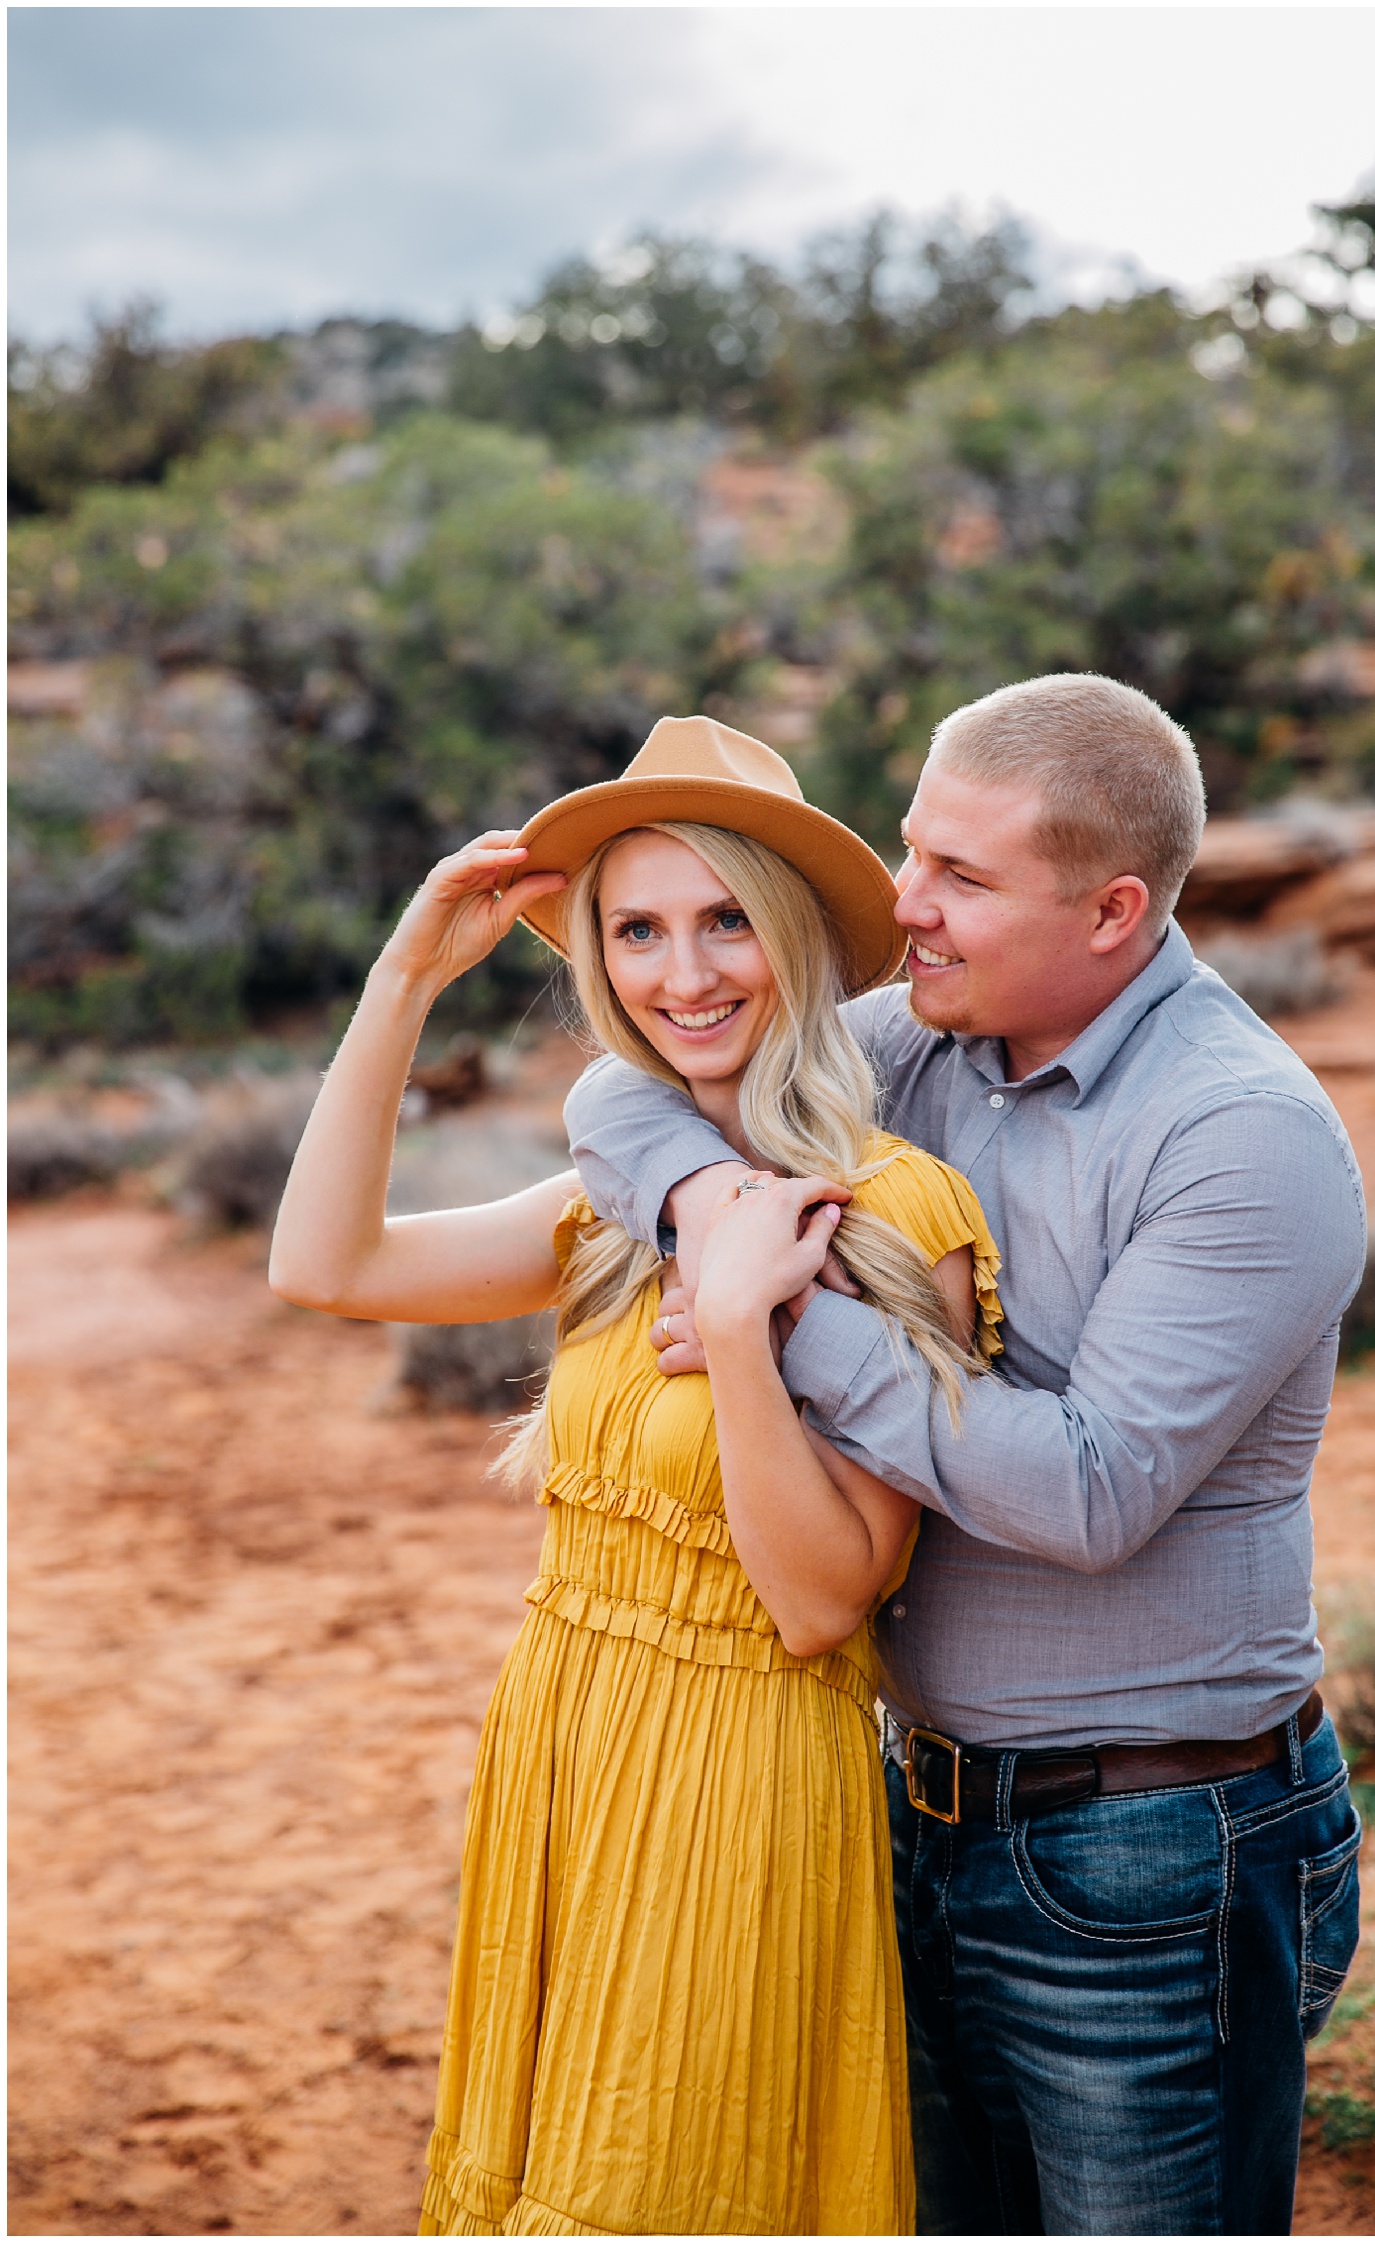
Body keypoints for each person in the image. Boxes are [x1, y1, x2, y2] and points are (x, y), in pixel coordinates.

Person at [563, 673, 1368, 2238]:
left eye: (962, 880)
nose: (903, 909)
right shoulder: (919, 1044)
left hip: (1146, 1856)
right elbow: (630, 1085)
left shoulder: (1241, 1134)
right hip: (910, 1819)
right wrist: (712, 1212)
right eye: (914, 851)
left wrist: (777, 1327)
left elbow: (1089, 1490)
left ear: (1115, 909)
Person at [269, 715, 1008, 2237]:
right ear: (599, 959)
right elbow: (324, 1262)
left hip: (742, 1775)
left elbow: (823, 1606)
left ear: (797, 941)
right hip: (563, 1736)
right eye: (640, 930)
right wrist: (403, 984)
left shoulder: (891, 1212)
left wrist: (741, 1327)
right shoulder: (613, 1204)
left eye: (728, 919)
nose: (687, 975)